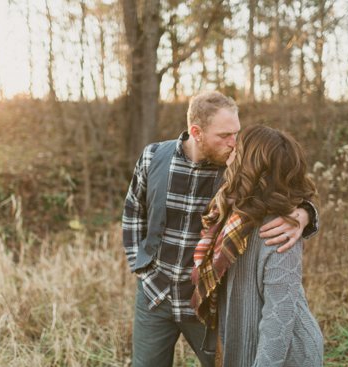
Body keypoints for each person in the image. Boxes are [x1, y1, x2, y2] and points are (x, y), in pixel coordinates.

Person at [122, 92, 319, 367]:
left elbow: (282, 187)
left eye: (236, 133)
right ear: (196, 132)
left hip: (207, 301)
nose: (234, 142)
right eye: (225, 135)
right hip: (155, 294)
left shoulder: (236, 168)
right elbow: (133, 212)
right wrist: (141, 267)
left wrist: (305, 213)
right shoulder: (153, 157)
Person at [190, 125, 323, 367]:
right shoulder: (230, 211)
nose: (231, 146)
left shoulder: (278, 231)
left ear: (250, 163)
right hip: (241, 342)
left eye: (238, 146)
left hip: (285, 356)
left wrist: (305, 214)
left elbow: (279, 318)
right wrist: (308, 212)